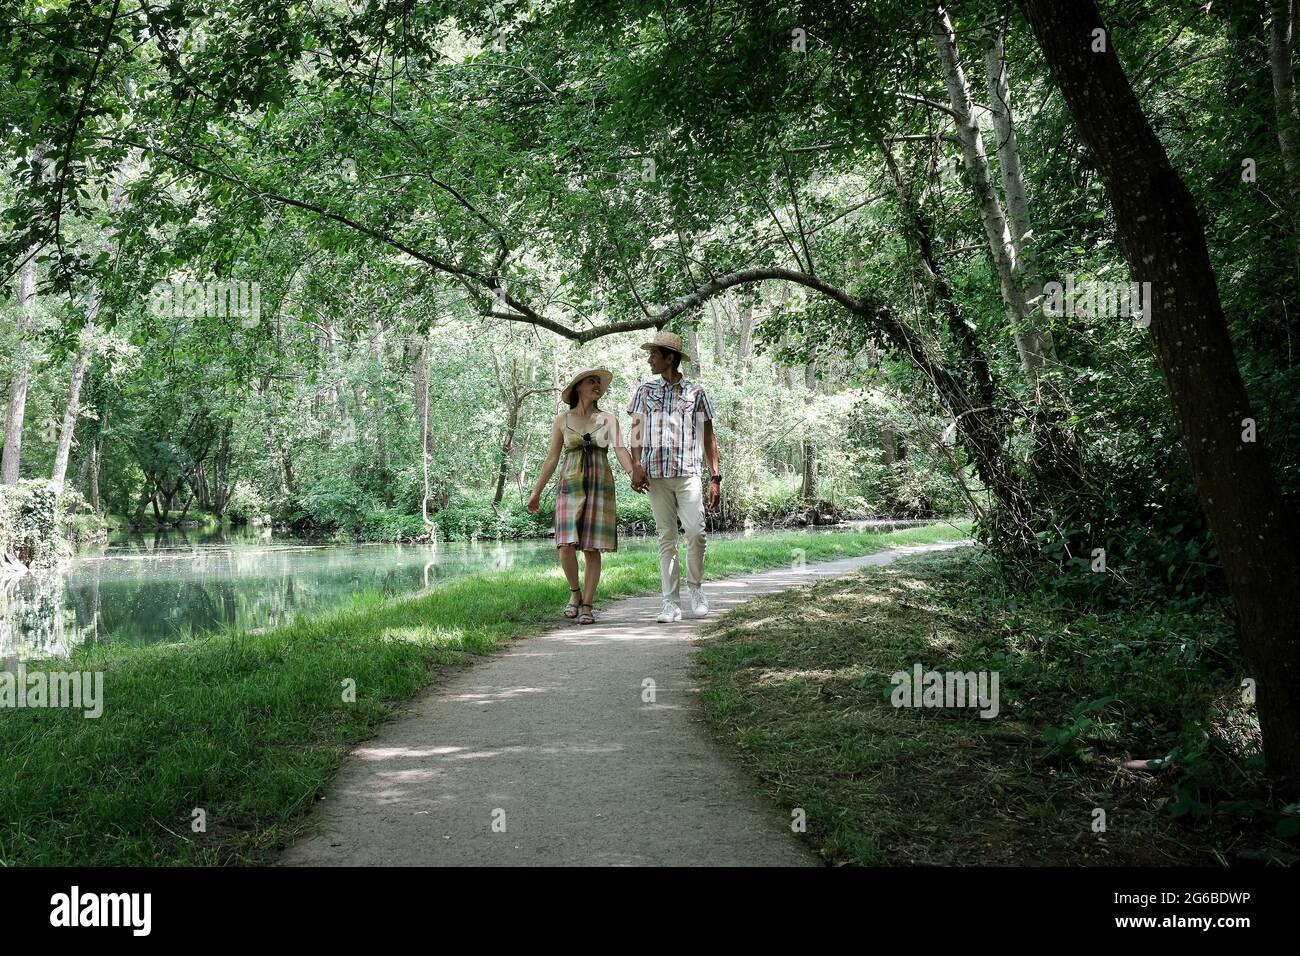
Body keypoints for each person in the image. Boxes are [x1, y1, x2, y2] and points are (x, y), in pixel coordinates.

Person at [527, 368, 640, 625]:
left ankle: (588, 604)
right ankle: (574, 594)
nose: (597, 385)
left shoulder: (608, 418)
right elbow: (552, 458)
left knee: (591, 546)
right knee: (566, 544)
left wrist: (634, 473)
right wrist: (536, 493)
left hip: (600, 482)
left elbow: (621, 449)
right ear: (578, 387)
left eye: (599, 382)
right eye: (592, 381)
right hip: (570, 483)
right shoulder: (562, 420)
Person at [627, 331, 722, 623]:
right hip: (655, 475)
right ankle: (670, 603)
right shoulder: (645, 391)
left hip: (688, 473)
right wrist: (635, 466)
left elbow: (709, 438)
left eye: (654, 355)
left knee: (696, 532)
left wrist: (715, 477)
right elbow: (637, 431)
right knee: (667, 538)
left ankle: (696, 590)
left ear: (670, 358)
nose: (649, 360)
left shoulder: (697, 393)